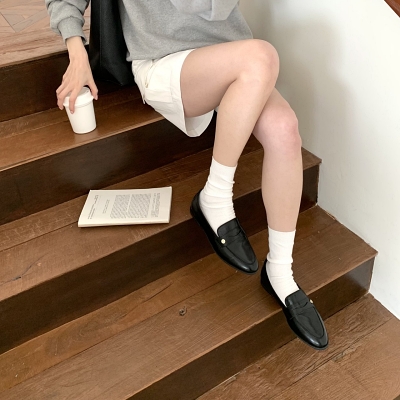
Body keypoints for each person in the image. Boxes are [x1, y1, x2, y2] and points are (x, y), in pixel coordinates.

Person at [45, 0, 328, 350]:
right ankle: (215, 197)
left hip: (230, 54)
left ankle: (280, 272)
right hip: (163, 58)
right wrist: (76, 52)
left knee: (285, 129)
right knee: (262, 56)